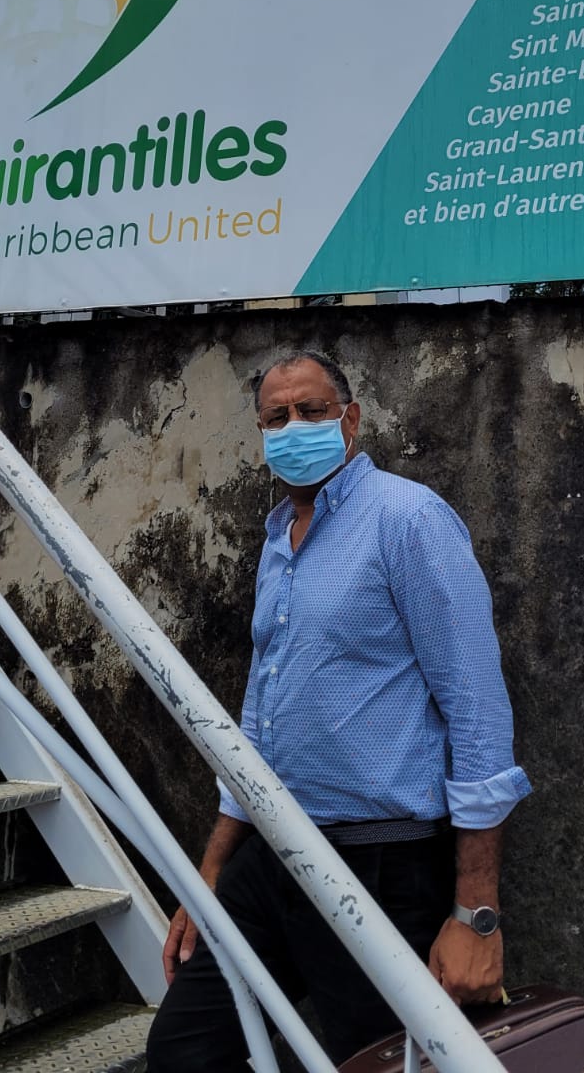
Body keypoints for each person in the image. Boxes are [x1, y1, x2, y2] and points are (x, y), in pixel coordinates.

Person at [146, 350, 531, 1071]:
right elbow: (259, 716)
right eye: (276, 417)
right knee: (185, 1049)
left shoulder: (409, 519)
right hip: (273, 854)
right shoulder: (277, 543)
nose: (293, 427)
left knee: (371, 1060)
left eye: (311, 410)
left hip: (381, 868)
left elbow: (477, 710)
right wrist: (211, 871)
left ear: (349, 420)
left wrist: (476, 914)